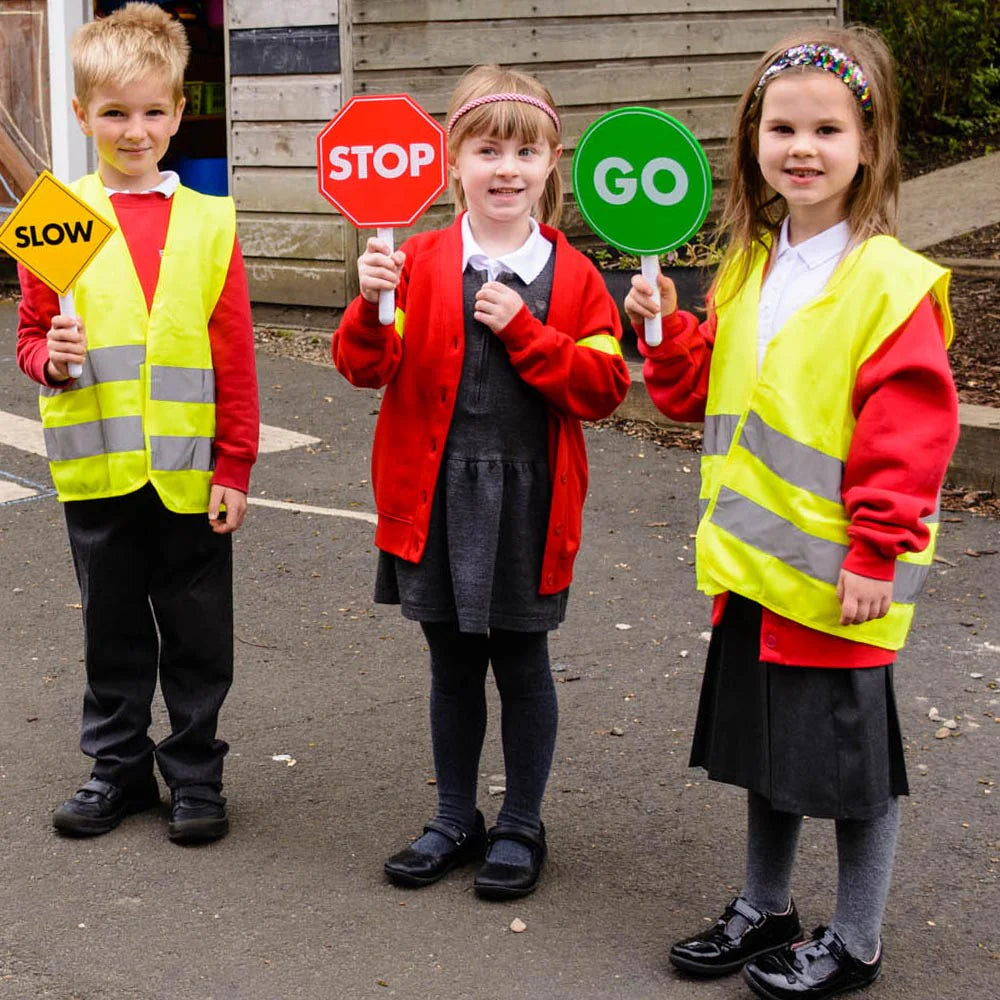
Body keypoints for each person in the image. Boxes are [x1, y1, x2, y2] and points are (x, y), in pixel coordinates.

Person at [625, 26, 959, 1000]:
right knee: (766, 752)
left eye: (826, 129)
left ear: (870, 144)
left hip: (841, 578)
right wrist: (662, 328)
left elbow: (910, 432)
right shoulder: (747, 266)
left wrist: (877, 551)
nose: (801, 148)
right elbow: (697, 394)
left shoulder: (889, 283)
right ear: (752, 139)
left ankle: (854, 941)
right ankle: (765, 906)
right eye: (782, 128)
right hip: (754, 569)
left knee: (854, 770)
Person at [332, 64, 630, 899]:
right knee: (453, 663)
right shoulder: (415, 260)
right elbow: (364, 367)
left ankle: (522, 824)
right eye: (487, 150)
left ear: (551, 164)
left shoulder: (573, 276)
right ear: (452, 161)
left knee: (523, 663)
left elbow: (604, 387)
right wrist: (368, 305)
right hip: (435, 497)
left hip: (530, 502)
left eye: (525, 152)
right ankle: (454, 817)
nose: (506, 169)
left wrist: (529, 333)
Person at [15, 2, 259, 845]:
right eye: (114, 112)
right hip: (100, 472)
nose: (135, 130)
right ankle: (115, 768)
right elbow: (31, 339)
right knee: (112, 631)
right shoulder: (57, 218)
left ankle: (194, 774)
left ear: (178, 114)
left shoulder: (210, 221)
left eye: (153, 111)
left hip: (191, 476)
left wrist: (236, 466)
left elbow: (234, 356)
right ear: (82, 115)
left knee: (198, 636)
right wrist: (52, 358)